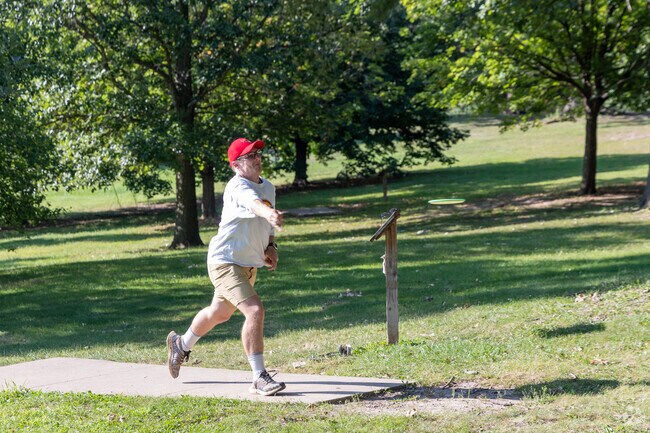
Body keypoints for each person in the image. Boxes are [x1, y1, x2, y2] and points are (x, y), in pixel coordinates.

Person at [166, 137, 286, 396]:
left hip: (247, 264)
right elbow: (254, 205)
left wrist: (271, 246)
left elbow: (266, 224)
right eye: (249, 156)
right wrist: (269, 214)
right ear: (236, 165)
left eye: (257, 153)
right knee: (254, 310)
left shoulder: (269, 187)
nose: (256, 158)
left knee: (219, 313)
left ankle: (180, 344)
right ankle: (259, 377)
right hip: (225, 262)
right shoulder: (236, 187)